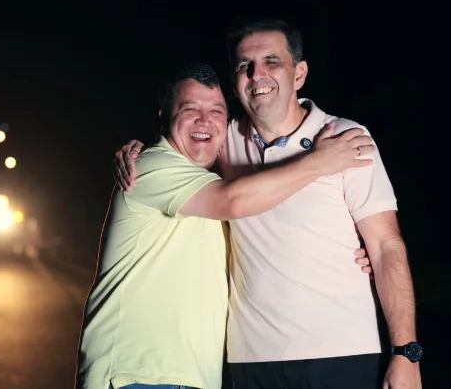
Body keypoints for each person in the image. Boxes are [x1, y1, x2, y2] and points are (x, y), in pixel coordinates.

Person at [113, 19, 422, 389]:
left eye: (272, 61)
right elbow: (182, 142)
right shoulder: (225, 140)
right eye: (245, 66)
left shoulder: (344, 137)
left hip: (343, 352)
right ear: (235, 81)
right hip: (252, 361)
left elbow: (387, 246)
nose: (257, 74)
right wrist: (135, 148)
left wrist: (406, 352)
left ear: (299, 73)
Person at [77, 64, 377, 389]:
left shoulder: (205, 185)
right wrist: (321, 161)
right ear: (164, 115)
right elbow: (233, 200)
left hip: (187, 376)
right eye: (190, 109)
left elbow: (261, 216)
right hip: (135, 374)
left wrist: (347, 246)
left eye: (216, 111)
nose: (205, 120)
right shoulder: (151, 166)